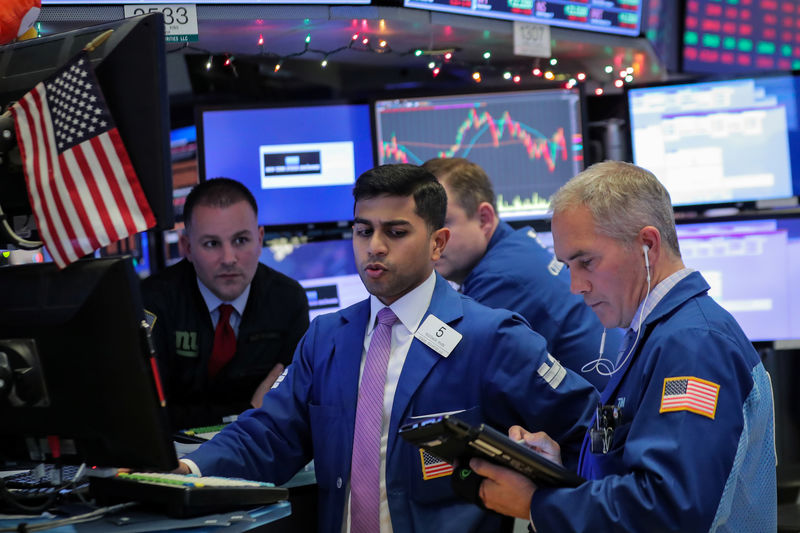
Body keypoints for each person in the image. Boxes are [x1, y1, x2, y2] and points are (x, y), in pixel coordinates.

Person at [176, 164, 599, 533]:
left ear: (438, 243)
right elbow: (268, 434)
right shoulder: (326, 339)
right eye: (364, 231)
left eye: (395, 232)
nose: (375, 246)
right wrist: (187, 471)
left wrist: (553, 502)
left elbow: (585, 429)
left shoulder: (490, 337)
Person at [470, 161, 777, 532]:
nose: (576, 286)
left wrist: (538, 504)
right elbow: (629, 464)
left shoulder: (694, 345)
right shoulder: (654, 333)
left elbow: (670, 509)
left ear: (647, 244)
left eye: (587, 262)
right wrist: (562, 468)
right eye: (568, 266)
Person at [423, 157, 621, 390]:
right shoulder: (514, 249)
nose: (431, 242)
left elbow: (449, 373)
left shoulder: (502, 279)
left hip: (599, 420)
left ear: (484, 219)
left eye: (443, 224)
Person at [141, 178, 309, 431]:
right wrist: (248, 412)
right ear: (187, 247)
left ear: (260, 239)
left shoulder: (288, 300)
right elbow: (149, 412)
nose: (229, 259)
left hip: (259, 449)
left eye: (241, 240)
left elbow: (293, 407)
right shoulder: (153, 303)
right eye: (212, 244)